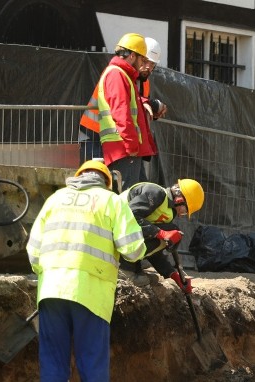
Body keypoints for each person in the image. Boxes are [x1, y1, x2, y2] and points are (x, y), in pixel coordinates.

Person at [26, 159, 146, 382]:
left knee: (53, 366)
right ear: (107, 181)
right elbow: (134, 249)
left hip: (52, 293)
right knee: (92, 367)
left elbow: (33, 252)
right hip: (91, 296)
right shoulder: (111, 202)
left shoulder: (55, 200)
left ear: (78, 178)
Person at [80, 32, 148, 193]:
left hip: (120, 145)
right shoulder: (117, 74)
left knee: (128, 192)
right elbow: (121, 111)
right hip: (122, 146)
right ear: (132, 56)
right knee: (126, 195)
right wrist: (131, 144)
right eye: (142, 59)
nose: (144, 64)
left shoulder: (120, 74)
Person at [119, 178, 205, 289]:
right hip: (112, 234)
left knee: (172, 230)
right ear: (180, 199)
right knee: (169, 230)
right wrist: (161, 233)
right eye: (184, 211)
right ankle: (124, 269)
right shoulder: (155, 193)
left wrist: (172, 274)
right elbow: (129, 216)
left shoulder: (168, 211)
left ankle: (134, 268)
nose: (180, 215)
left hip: (121, 237)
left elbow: (154, 246)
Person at [136, 37, 168, 188]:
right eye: (145, 61)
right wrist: (151, 104)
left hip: (127, 142)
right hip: (94, 135)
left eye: (152, 64)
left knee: (138, 186)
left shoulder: (145, 82)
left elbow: (140, 108)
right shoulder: (124, 76)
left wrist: (153, 111)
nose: (148, 67)